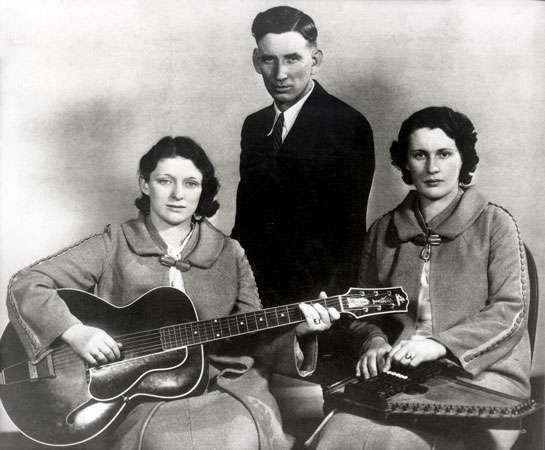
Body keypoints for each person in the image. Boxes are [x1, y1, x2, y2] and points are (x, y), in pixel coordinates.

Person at [7, 136, 340, 450]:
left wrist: (299, 330)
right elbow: (28, 282)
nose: (177, 194)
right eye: (165, 180)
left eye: (190, 183)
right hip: (143, 394)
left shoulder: (230, 252)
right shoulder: (114, 243)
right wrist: (76, 332)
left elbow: (252, 335)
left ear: (202, 191)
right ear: (145, 184)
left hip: (223, 388)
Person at [311, 107, 531, 450]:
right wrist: (374, 342)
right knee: (338, 436)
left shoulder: (495, 224)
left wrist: (440, 345)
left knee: (401, 441)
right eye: (420, 155)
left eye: (444, 153)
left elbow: (510, 311)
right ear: (405, 164)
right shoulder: (383, 231)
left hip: (482, 375)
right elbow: (363, 313)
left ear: (464, 160)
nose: (432, 168)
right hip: (401, 370)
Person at [232, 5, 375, 310]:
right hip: (253, 298)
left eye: (292, 58)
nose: (280, 74)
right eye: (269, 59)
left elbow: (346, 236)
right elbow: (246, 223)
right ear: (257, 61)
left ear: (316, 59)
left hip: (319, 301)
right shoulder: (254, 126)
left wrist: (325, 306)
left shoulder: (348, 125)